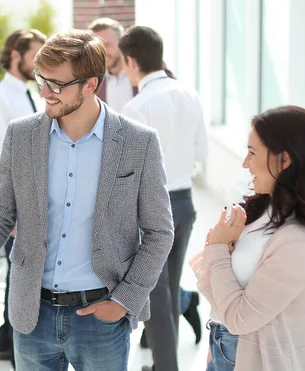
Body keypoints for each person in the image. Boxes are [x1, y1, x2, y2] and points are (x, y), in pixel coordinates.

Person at [0, 29, 174, 370]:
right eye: (41, 80)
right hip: (32, 318)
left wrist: (125, 300)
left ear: (90, 84)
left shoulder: (138, 143)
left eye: (56, 84)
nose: (43, 92)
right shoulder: (21, 134)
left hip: (101, 318)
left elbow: (159, 232)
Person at [190, 106, 305, 371]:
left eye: (252, 153)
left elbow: (239, 318)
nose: (244, 163)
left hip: (250, 357)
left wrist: (217, 248)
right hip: (223, 347)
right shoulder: (264, 209)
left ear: (285, 161)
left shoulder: (299, 242)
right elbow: (214, 286)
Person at [118, 26, 208, 371]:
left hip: (152, 206)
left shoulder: (137, 106)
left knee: (153, 293)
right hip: (185, 201)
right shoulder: (190, 94)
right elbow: (202, 152)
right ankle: (162, 365)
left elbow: (128, 172)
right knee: (167, 286)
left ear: (131, 60)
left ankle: (166, 368)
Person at [0, 28, 47, 364]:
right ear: (16, 55)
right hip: (18, 208)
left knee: (22, 274)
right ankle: (6, 342)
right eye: (35, 54)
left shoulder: (29, 92)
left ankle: (9, 340)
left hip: (35, 203)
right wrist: (11, 214)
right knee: (17, 275)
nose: (40, 62)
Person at [88, 17, 136, 112]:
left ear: (121, 43)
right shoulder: (91, 82)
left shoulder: (140, 72)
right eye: (98, 47)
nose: (102, 52)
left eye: (106, 45)